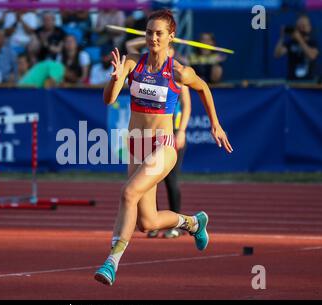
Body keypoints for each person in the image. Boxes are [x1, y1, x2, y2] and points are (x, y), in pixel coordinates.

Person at [94, 9, 232, 286]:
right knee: (147, 222)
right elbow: (108, 101)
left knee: (128, 193)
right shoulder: (132, 62)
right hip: (136, 145)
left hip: (163, 146)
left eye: (159, 33)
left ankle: (112, 261)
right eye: (148, 32)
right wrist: (114, 78)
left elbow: (204, 88)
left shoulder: (179, 71)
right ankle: (192, 223)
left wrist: (215, 124)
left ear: (171, 37)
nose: (153, 38)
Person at [126, 37, 191, 239]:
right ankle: (153, 221)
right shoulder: (146, 69)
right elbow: (129, 47)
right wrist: (146, 36)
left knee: (170, 180)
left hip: (172, 134)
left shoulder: (177, 72)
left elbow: (187, 106)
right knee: (148, 183)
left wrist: (181, 132)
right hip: (149, 137)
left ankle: (177, 224)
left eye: (169, 49)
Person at [274, 14, 319, 81]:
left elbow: (312, 56)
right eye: (299, 26)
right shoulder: (291, 43)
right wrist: (282, 37)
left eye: (304, 26)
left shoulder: (313, 43)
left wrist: (299, 39)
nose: (301, 29)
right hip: (292, 82)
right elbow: (277, 54)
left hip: (308, 82)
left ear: (309, 27)